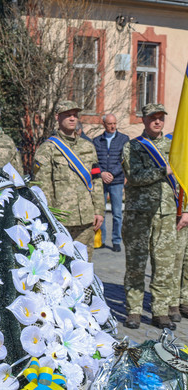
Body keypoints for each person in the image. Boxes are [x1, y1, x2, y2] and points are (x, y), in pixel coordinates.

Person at [121, 103, 182, 330]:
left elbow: (183, 182)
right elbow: (134, 176)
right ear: (144, 121)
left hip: (166, 214)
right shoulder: (133, 147)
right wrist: (162, 171)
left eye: (160, 118)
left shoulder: (173, 147)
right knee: (136, 264)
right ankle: (134, 311)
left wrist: (184, 210)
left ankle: (160, 311)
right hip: (138, 215)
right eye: (152, 118)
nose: (157, 122)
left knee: (164, 265)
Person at [32, 101, 104, 261]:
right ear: (57, 117)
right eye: (67, 115)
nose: (72, 118)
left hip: (86, 218)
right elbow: (42, 186)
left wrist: (99, 209)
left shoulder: (88, 146)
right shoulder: (47, 148)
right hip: (61, 220)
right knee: (61, 265)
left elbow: (96, 180)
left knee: (84, 264)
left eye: (74, 115)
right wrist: (50, 217)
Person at [92, 114, 129, 252]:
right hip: (101, 181)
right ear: (104, 125)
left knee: (117, 213)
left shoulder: (123, 139)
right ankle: (100, 240)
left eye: (114, 123)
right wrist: (101, 173)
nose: (112, 126)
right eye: (109, 124)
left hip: (117, 180)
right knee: (99, 211)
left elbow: (124, 160)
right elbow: (94, 160)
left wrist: (112, 173)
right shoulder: (97, 141)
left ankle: (116, 240)